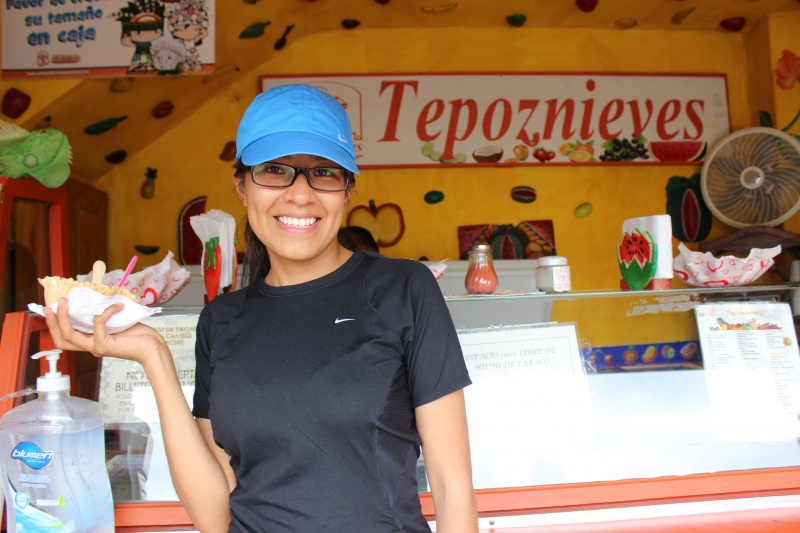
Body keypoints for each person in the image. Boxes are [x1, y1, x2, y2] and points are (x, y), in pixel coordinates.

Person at [44, 83, 477, 532]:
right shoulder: (222, 319)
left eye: (324, 172)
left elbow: (452, 486)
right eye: (274, 170)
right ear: (241, 186)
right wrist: (155, 359)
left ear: (347, 190)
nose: (301, 194)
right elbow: (215, 513)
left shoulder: (403, 288)